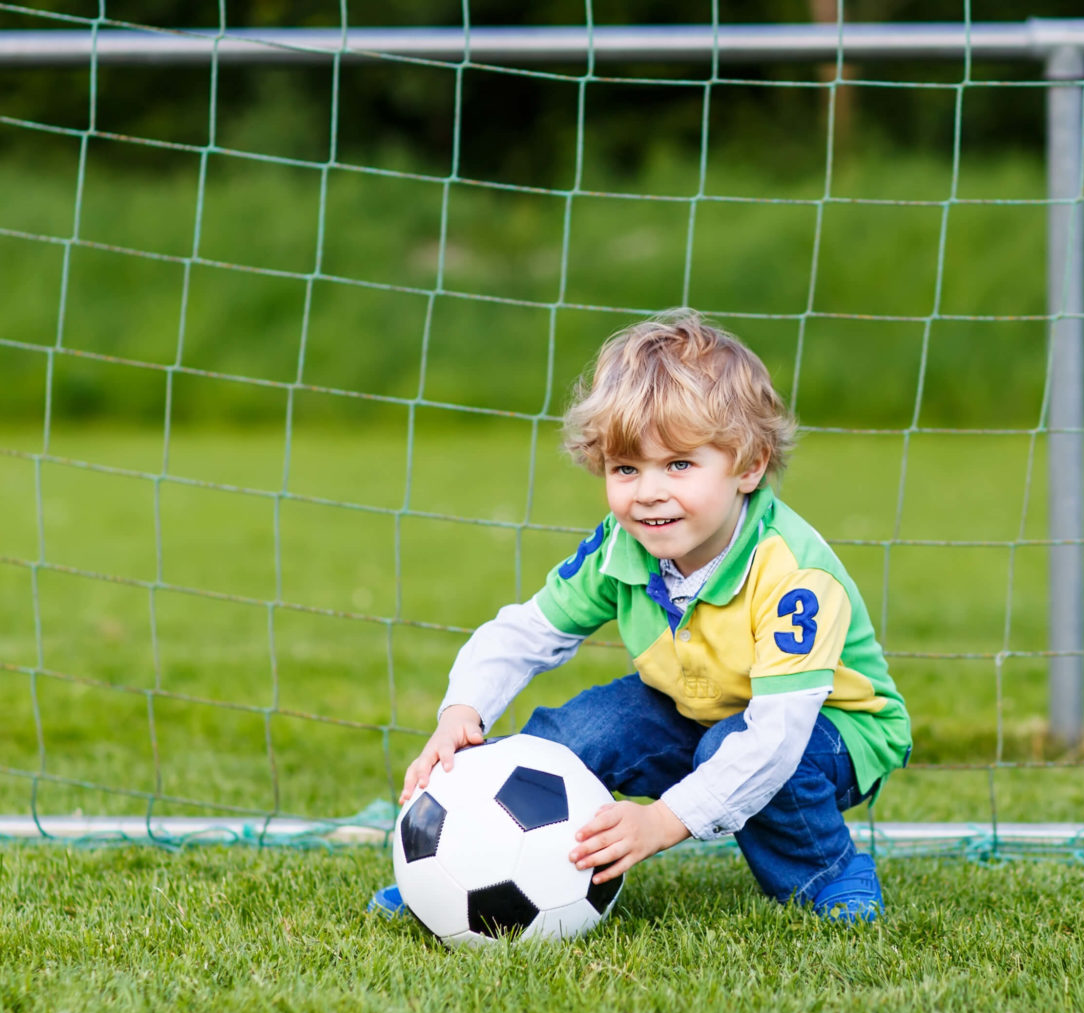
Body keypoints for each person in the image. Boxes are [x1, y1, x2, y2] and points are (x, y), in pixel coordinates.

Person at [371, 309, 911, 923]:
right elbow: (526, 631)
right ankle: (456, 871)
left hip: (829, 729)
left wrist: (662, 821)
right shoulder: (621, 547)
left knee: (739, 750)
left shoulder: (792, 575)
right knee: (574, 737)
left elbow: (776, 738)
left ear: (749, 466)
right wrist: (462, 712)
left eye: (679, 464)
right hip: (696, 706)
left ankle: (828, 875)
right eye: (626, 468)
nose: (648, 491)